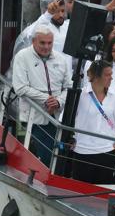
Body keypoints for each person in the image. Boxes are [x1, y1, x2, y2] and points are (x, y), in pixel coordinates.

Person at [12, 26, 71, 166]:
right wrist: (46, 99)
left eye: (49, 43)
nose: (46, 46)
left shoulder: (61, 59)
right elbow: (20, 88)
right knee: (40, 160)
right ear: (33, 41)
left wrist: (58, 101)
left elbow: (69, 87)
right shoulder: (22, 56)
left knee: (55, 160)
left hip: (56, 118)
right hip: (32, 119)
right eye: (42, 43)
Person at [72, 60, 115, 184]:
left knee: (104, 191)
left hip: (107, 151)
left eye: (111, 74)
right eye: (107, 75)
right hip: (82, 150)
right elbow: (67, 119)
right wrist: (72, 139)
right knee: (80, 191)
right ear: (96, 77)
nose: (111, 78)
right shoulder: (80, 95)